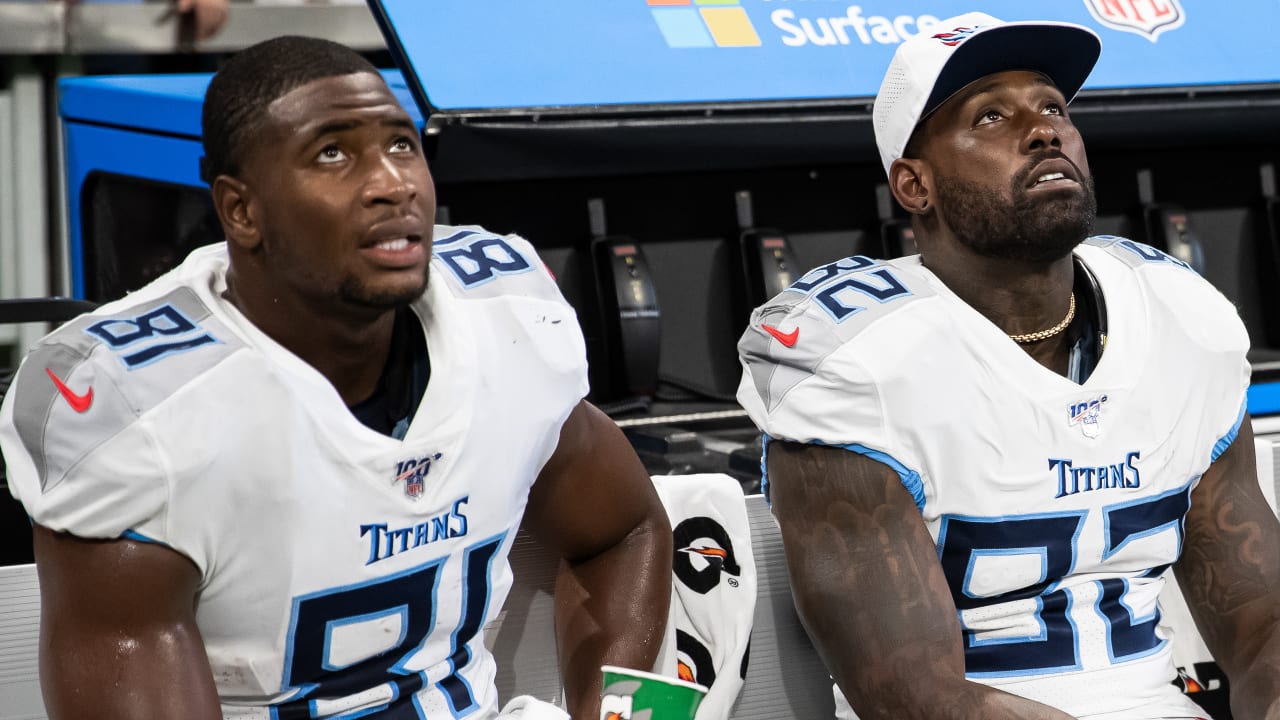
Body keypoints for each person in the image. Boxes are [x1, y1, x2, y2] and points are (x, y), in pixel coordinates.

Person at [0, 36, 672, 720]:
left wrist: (612, 714)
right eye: (333, 153)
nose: (392, 182)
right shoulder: (136, 407)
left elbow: (623, 533)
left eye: (403, 145)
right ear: (242, 210)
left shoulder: (507, 320)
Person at [737, 12, 1280, 720]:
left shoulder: (1180, 316)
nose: (1044, 130)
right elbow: (914, 699)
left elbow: (1263, 624)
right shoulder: (858, 355)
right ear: (914, 185)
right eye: (991, 116)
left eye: (1053, 107)